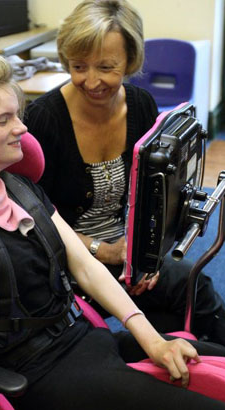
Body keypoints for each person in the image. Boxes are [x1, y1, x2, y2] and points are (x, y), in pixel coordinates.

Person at [0, 51, 225, 410]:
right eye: (4, 120)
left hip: (84, 341)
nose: (22, 127)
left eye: (17, 114)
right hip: (42, 372)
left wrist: (153, 341)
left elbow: (86, 267)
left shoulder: (18, 187)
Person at [24, 0, 225, 342]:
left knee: (186, 302)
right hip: (67, 256)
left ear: (130, 60)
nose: (91, 81)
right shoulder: (44, 119)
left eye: (106, 67)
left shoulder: (141, 105)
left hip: (125, 250)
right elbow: (33, 217)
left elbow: (152, 194)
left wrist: (147, 255)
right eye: (78, 66)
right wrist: (104, 251)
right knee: (190, 291)